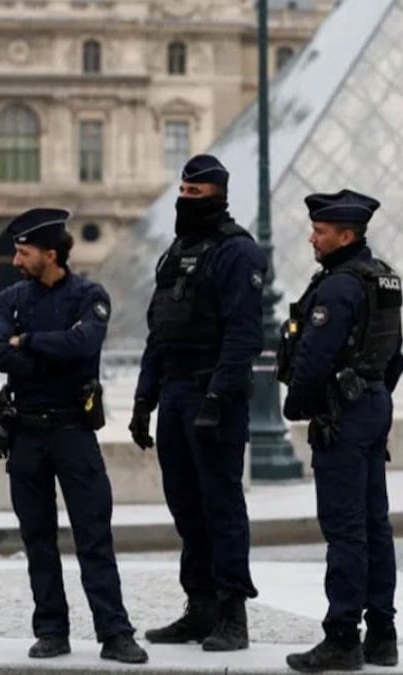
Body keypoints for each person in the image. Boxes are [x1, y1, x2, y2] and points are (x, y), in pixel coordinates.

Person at [0, 208, 147, 664]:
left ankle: (115, 632)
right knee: (37, 540)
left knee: (94, 537)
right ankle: (51, 630)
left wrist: (28, 343)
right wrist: (50, 348)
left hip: (74, 433)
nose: (15, 260)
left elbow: (84, 346)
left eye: (23, 252)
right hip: (26, 434)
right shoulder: (12, 298)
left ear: (50, 254)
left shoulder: (89, 294)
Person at [129, 154, 266, 652]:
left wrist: (217, 397)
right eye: (181, 194)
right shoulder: (175, 252)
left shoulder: (238, 253)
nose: (184, 203)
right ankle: (199, 605)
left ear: (217, 197)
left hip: (213, 394)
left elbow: (243, 336)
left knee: (221, 506)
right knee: (186, 506)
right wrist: (145, 399)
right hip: (174, 392)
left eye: (194, 196)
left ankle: (232, 613)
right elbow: (159, 329)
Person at [277, 189, 403, 673]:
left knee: (346, 529)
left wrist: (300, 405)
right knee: (376, 524)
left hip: (343, 416)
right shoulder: (383, 278)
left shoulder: (337, 287)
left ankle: (342, 638)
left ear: (345, 235)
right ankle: (382, 635)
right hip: (372, 404)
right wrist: (373, 393)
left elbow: (313, 359)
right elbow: (396, 354)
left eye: (321, 231)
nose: (312, 237)